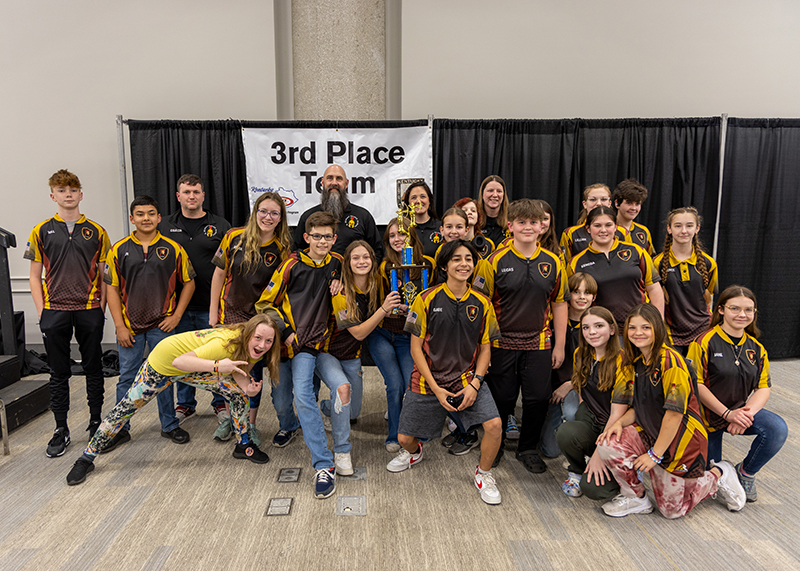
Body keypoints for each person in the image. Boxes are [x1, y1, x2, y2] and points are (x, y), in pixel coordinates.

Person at [65, 314, 279, 485]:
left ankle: (244, 445)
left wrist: (249, 390)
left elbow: (239, 377)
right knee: (125, 409)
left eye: (269, 341)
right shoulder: (224, 345)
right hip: (164, 364)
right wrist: (216, 366)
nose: (262, 344)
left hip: (193, 369)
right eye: (258, 338)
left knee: (239, 396)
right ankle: (86, 458)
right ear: (249, 332)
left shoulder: (254, 349)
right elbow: (180, 361)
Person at [596, 304, 746, 518]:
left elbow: (674, 414)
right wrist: (619, 423)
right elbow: (641, 407)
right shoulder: (634, 362)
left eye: (645, 327)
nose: (638, 333)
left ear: (657, 328)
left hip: (682, 442)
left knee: (672, 511)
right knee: (608, 443)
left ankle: (718, 475)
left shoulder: (671, 362)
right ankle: (635, 498)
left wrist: (654, 455)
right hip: (650, 433)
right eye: (632, 328)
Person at [387, 240, 504, 506]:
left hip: (466, 379)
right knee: (404, 439)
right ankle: (415, 454)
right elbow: (415, 349)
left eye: (468, 259)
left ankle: (484, 474)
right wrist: (436, 388)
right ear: (444, 265)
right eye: (457, 259)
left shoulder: (483, 303)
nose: (464, 264)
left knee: (495, 426)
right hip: (428, 381)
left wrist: (475, 384)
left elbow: (486, 349)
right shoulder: (425, 299)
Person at [473, 199, 568, 473]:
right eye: (522, 222)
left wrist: (559, 345)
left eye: (534, 222)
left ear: (542, 227)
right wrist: (483, 350)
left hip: (539, 342)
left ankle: (527, 447)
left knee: (537, 397)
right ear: (510, 225)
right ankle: (497, 444)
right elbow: (481, 306)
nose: (528, 227)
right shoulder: (494, 261)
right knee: (502, 398)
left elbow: (560, 303)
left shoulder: (553, 262)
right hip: (501, 342)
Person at [256, 211, 347, 498]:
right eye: (317, 236)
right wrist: (286, 330)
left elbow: (354, 288)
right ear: (306, 237)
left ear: (335, 238)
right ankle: (290, 425)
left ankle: (324, 464)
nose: (323, 241)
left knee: (304, 396)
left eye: (328, 236)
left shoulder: (339, 263)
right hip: (287, 344)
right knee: (282, 401)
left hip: (313, 346)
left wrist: (342, 286)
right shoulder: (291, 264)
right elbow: (264, 304)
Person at [24, 169, 111, 457]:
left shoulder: (97, 231)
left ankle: (96, 421)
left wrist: (101, 307)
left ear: (81, 194)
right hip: (55, 311)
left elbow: (105, 274)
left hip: (89, 310)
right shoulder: (40, 231)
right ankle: (61, 428)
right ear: (53, 196)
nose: (68, 194)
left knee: (93, 367)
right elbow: (35, 276)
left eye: (73, 189)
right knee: (58, 372)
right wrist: (42, 310)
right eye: (62, 191)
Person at [103, 196, 195, 452]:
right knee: (128, 377)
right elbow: (111, 288)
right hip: (130, 327)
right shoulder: (118, 249)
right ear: (132, 219)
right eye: (140, 214)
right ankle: (119, 429)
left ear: (158, 218)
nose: (146, 218)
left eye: (151, 213)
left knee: (163, 376)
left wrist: (176, 316)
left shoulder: (173, 248)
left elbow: (189, 282)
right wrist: (119, 326)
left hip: (161, 325)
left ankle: (169, 424)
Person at [689, 286, 788, 502]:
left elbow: (763, 387)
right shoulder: (703, 341)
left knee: (777, 428)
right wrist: (727, 414)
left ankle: (746, 472)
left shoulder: (757, 348)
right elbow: (696, 385)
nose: (742, 315)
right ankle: (724, 469)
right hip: (706, 420)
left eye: (748, 310)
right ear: (721, 309)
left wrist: (745, 415)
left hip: (737, 413)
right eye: (735, 308)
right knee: (710, 482)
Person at [207, 192, 291, 443]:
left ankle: (249, 425)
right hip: (229, 315)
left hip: (258, 320)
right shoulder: (234, 236)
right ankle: (232, 422)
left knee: (251, 374)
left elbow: (283, 288)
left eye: (274, 213)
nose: (268, 217)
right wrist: (213, 312)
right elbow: (219, 275)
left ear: (280, 218)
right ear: (255, 212)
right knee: (226, 371)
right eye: (263, 211)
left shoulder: (282, 247)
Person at [321, 241, 402, 468]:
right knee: (343, 392)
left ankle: (326, 408)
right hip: (329, 352)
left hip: (351, 355)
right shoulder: (340, 291)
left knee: (353, 411)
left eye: (365, 257)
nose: (361, 262)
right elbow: (357, 333)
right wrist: (383, 310)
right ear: (347, 262)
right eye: (355, 258)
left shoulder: (377, 284)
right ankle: (342, 451)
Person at [159, 174, 232, 426]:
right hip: (175, 309)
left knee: (215, 357)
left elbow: (228, 267)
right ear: (178, 196)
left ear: (203, 196)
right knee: (181, 358)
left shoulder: (220, 225)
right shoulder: (164, 225)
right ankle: (186, 405)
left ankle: (220, 402)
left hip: (210, 306)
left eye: (196, 192)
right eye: (187, 192)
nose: (192, 196)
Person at [369, 217, 434, 452]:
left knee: (411, 383)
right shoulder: (383, 267)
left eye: (403, 234)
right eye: (392, 235)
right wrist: (389, 307)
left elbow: (433, 297)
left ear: (412, 237)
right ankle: (395, 434)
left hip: (410, 337)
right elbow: (374, 301)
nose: (398, 239)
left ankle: (415, 429)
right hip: (384, 333)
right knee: (394, 385)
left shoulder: (427, 264)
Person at [555, 306, 626, 500]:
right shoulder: (581, 354)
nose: (591, 332)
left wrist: (599, 454)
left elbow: (618, 414)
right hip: (593, 418)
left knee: (594, 490)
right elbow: (581, 387)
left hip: (616, 427)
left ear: (612, 329)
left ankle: (629, 475)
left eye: (598, 326)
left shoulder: (622, 360)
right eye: (585, 327)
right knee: (566, 432)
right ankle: (577, 471)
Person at [568, 206, 664, 328]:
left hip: (639, 326)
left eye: (608, 225)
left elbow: (654, 288)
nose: (603, 230)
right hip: (602, 330)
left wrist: (658, 323)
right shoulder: (576, 262)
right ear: (588, 229)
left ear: (615, 227)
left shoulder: (636, 251)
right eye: (597, 226)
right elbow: (571, 302)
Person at [539, 272, 596, 458]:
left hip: (580, 388)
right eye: (576, 292)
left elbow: (598, 368)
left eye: (587, 293)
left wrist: (570, 384)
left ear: (594, 297)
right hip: (551, 388)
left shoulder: (597, 326)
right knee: (549, 450)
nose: (581, 297)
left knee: (572, 414)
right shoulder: (552, 320)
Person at [653, 207, 718, 355]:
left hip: (702, 332)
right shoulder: (657, 263)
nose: (684, 231)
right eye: (678, 226)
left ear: (697, 228)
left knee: (699, 376)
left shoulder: (709, 263)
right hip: (670, 333)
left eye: (689, 225)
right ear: (669, 229)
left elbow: (709, 299)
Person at [293, 164, 383, 259]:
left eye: (339, 179)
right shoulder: (308, 217)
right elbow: (297, 252)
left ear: (346, 183)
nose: (334, 183)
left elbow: (377, 251)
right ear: (322, 183)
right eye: (330, 178)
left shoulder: (363, 216)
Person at [560, 183, 627, 263]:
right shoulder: (570, 233)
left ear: (609, 203)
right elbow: (565, 267)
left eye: (603, 199)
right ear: (584, 204)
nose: (598, 203)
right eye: (592, 199)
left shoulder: (623, 232)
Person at [612, 178, 655, 255]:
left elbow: (650, 259)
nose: (633, 208)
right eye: (629, 203)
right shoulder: (608, 229)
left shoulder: (644, 231)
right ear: (617, 203)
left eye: (637, 204)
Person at [402, 181, 441, 258]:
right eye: (413, 197)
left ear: (429, 201)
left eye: (423, 196)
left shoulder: (441, 227)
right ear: (408, 203)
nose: (418, 201)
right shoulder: (403, 229)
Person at [476, 175, 509, 248]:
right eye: (490, 191)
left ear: (503, 195)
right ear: (482, 194)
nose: (495, 195)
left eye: (499, 191)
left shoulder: (512, 221)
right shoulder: (474, 221)